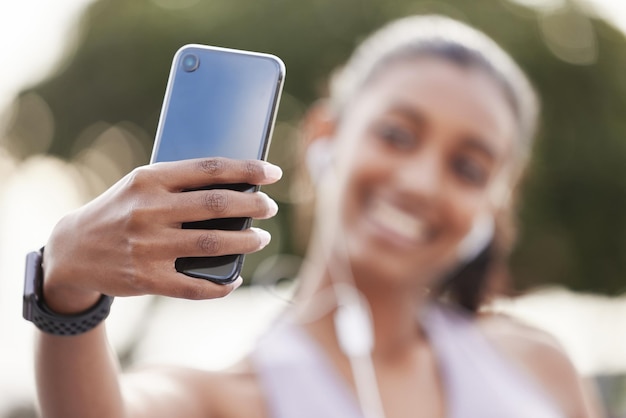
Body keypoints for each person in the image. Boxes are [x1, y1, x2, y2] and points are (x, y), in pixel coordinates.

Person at [30, 15, 602, 418]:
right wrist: (66, 286)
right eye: (397, 135)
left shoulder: (539, 366)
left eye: (469, 169)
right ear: (324, 138)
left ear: (494, 205)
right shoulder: (231, 401)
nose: (421, 183)